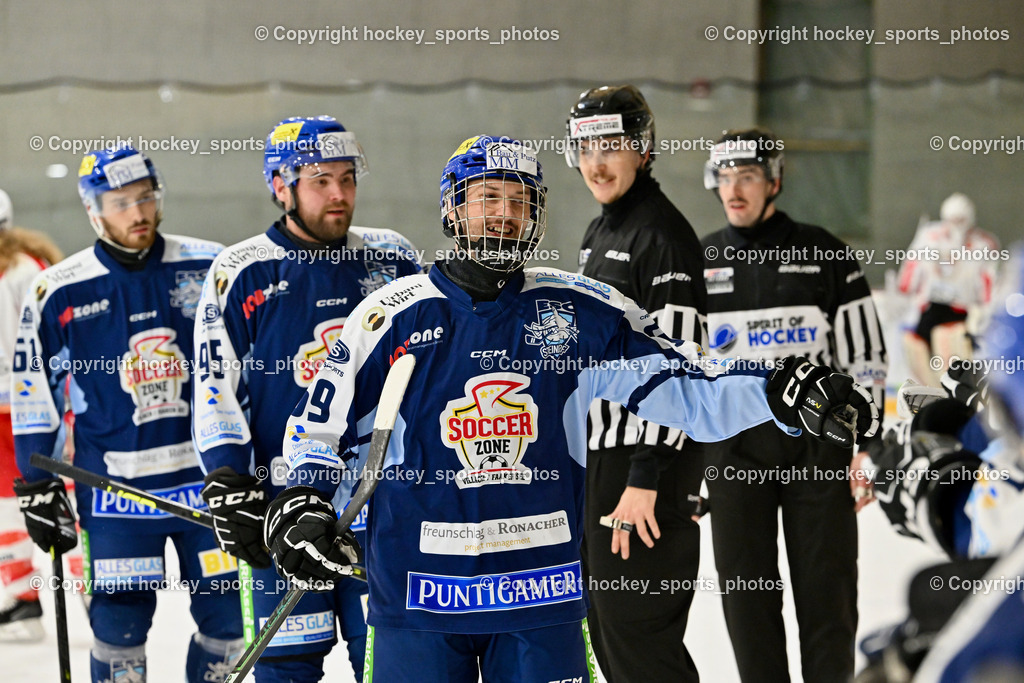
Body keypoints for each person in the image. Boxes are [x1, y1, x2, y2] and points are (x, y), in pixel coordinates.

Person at [265, 134, 879, 681]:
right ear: (454, 209)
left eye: (518, 202)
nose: (503, 217)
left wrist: (777, 390)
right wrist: (301, 501)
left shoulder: (579, 310)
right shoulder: (389, 316)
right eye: (487, 200)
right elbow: (319, 427)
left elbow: (691, 386)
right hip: (417, 600)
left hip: (541, 599)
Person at [193, 116, 420, 683]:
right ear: (280, 185)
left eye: (347, 178)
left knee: (392, 664)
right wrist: (225, 480)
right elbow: (215, 386)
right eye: (321, 181)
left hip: (384, 509)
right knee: (285, 666)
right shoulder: (239, 271)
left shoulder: (393, 259)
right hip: (285, 510)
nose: (339, 194)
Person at [11, 146, 243, 682]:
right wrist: (37, 485)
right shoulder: (57, 288)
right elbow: (33, 389)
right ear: (93, 212)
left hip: (206, 485)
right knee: (118, 631)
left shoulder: (209, 265)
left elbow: (248, 372)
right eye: (120, 203)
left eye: (146, 198)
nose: (137, 213)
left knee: (231, 624)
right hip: (114, 493)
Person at [700, 128, 887, 682]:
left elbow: (866, 354)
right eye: (725, 177)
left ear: (774, 180)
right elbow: (682, 365)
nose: (735, 189)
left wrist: (869, 445)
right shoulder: (698, 259)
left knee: (826, 593)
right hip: (733, 454)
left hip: (817, 450)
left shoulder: (823, 251)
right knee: (746, 599)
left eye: (749, 176)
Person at [566, 85, 707, 681]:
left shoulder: (662, 236)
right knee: (611, 636)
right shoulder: (602, 233)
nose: (596, 162)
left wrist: (645, 478)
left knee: (641, 646)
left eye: (612, 146)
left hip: (643, 474)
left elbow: (677, 366)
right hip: (607, 466)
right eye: (585, 147)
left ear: (643, 149)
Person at [0, 188, 62, 640]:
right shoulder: (27, 264)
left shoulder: (24, 269)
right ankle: (22, 598)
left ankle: (96, 586)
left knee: (63, 495)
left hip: (33, 406)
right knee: (3, 505)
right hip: (15, 406)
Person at [897, 192, 1001, 386]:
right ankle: (934, 391)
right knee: (917, 347)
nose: (956, 224)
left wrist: (986, 313)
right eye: (952, 219)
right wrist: (906, 293)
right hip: (931, 307)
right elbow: (910, 272)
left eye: (961, 219)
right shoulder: (928, 236)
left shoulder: (984, 244)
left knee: (954, 353)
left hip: (965, 311)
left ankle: (957, 392)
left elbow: (989, 283)